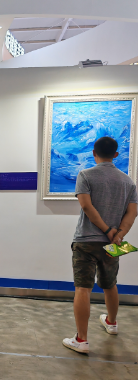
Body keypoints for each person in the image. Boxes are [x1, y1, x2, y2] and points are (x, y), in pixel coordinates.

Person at [63, 137, 138, 354]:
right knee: (110, 284)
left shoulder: (85, 175)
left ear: (94, 152)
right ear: (116, 155)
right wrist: (118, 234)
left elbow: (86, 206)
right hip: (112, 243)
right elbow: (132, 212)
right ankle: (112, 323)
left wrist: (106, 229)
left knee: (83, 288)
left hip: (86, 241)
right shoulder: (128, 182)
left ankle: (81, 339)